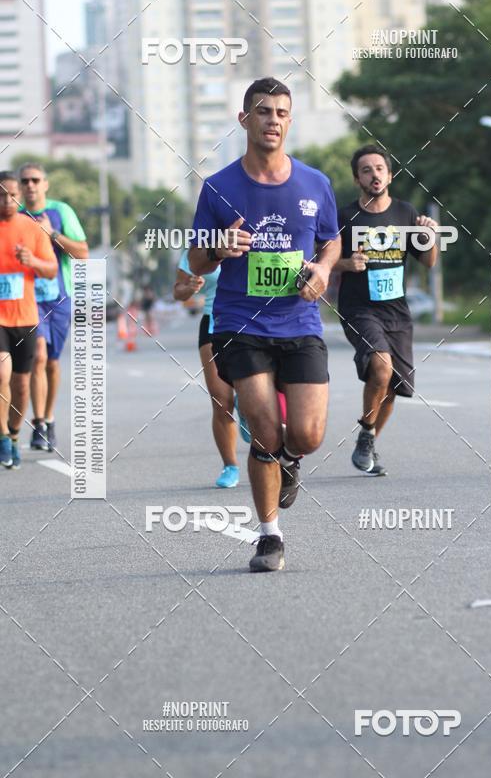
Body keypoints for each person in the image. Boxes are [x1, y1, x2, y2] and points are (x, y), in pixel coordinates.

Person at [189, 76, 340, 573]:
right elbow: (195, 259)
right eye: (262, 111)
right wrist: (218, 249)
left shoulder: (315, 183)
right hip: (240, 322)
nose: (271, 120)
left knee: (309, 435)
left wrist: (321, 269)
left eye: (280, 112)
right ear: (244, 119)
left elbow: (330, 241)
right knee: (263, 427)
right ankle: (269, 536)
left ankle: (290, 463)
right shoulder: (219, 187)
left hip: (299, 320)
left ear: (289, 121)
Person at [334, 144, 438, 475]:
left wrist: (430, 236)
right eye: (366, 170)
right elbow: (321, 259)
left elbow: (428, 262)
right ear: (357, 179)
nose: (374, 174)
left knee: (393, 386)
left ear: (390, 175)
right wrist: (346, 263)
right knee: (381, 367)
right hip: (359, 308)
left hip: (397, 310)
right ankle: (367, 433)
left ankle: (368, 438)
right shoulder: (345, 216)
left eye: (379, 168)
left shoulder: (407, 214)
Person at [18, 162, 88, 452]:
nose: (31, 185)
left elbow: (83, 253)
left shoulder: (61, 212)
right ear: (20, 187)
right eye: (25, 181)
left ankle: (48, 417)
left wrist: (52, 234)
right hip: (27, 298)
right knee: (39, 357)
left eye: (36, 180)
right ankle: (39, 424)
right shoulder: (15, 215)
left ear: (45, 184)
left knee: (53, 362)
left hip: (59, 296)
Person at [0, 172, 57, 468]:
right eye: (1, 195)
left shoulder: (32, 228)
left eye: (12, 195)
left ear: (19, 197)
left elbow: (50, 269)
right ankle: (1, 438)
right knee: (1, 375)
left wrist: (31, 261)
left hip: (25, 315)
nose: (7, 201)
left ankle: (13, 435)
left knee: (21, 385)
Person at [173, 256, 241, 488]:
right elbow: (178, 291)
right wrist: (189, 288)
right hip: (214, 321)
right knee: (222, 400)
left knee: (257, 398)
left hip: (254, 320)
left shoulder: (259, 234)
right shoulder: (200, 242)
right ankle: (230, 465)